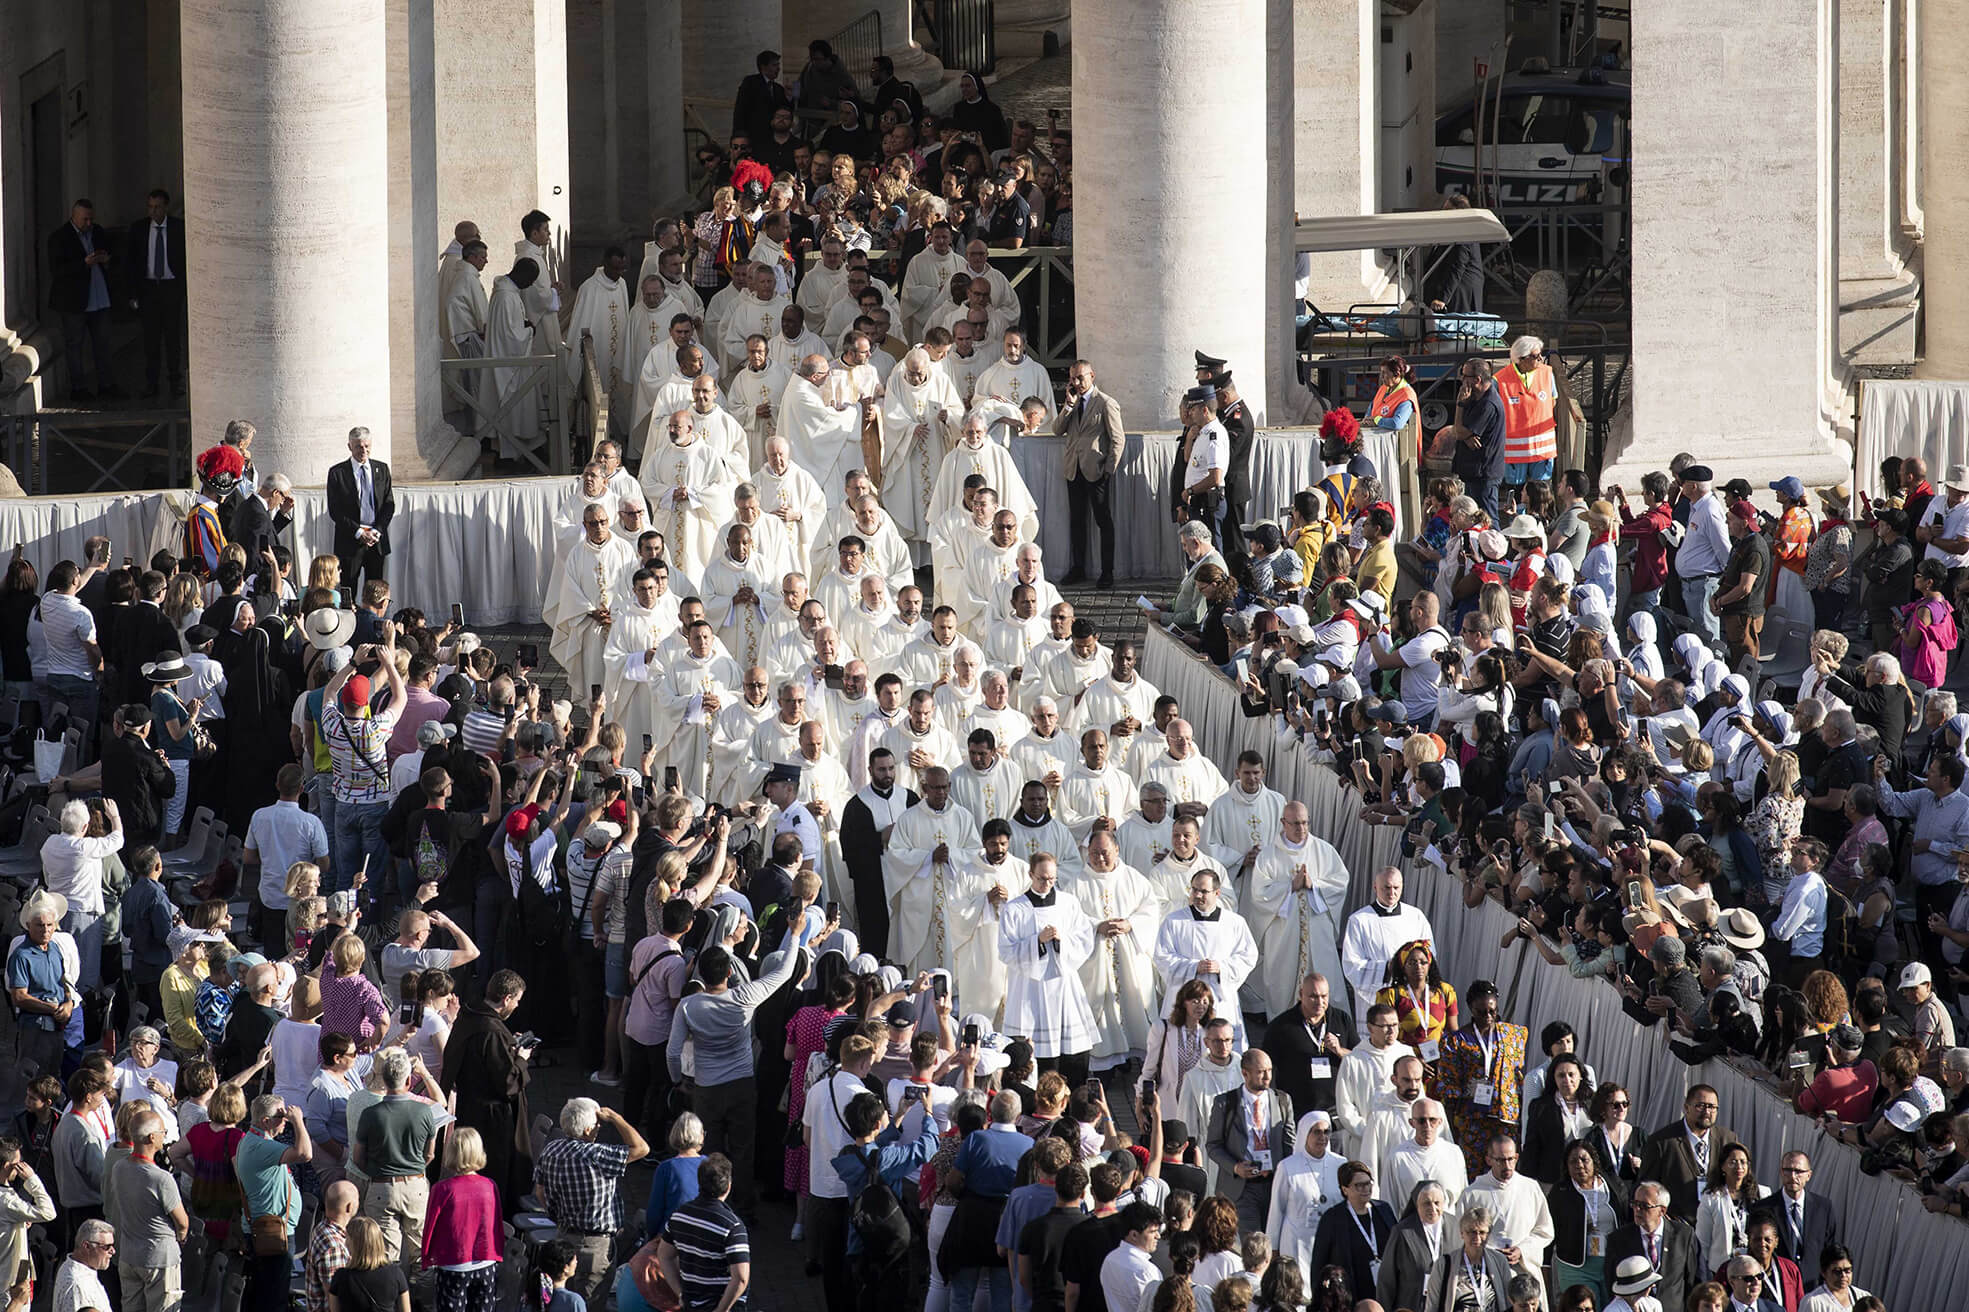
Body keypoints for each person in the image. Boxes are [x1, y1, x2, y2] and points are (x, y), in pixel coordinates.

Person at [668, 939, 810, 1217]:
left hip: (706, 1088)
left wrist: (678, 1080)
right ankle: (743, 1206)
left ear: (700, 974)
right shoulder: (744, 996)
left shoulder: (688, 1006)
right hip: (742, 1085)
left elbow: (673, 1052)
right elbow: (782, 973)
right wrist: (795, 934)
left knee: (709, 1149)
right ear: (729, 973)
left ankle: (710, 1205)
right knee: (743, 1149)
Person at [535, 1097, 650, 1301]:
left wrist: (555, 1217)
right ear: (587, 1130)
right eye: (597, 1125)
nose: (599, 1128)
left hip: (563, 1238)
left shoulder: (551, 1150)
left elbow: (539, 1192)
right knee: (590, 1302)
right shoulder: (598, 1156)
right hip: (595, 1247)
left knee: (562, 1300)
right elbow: (641, 1148)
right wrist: (616, 1118)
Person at [439, 969, 532, 1215]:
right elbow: (506, 1082)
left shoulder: (470, 1017)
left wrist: (509, 1046)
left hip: (470, 1107)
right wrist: (521, 1059)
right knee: (493, 1172)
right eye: (517, 1000)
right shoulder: (490, 1030)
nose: (518, 1005)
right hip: (492, 1118)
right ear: (507, 999)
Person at [353, 1048, 439, 1283]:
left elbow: (358, 1157)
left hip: (381, 1188)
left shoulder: (371, 1114)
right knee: (422, 1256)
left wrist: (374, 1173)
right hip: (416, 1186)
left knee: (385, 1258)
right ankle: (422, 1302)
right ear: (409, 1081)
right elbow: (430, 1154)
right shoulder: (423, 1111)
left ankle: (391, 1302)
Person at [234, 1092, 312, 1312]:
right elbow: (305, 1153)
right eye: (281, 1116)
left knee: (263, 1290)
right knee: (274, 1295)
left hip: (267, 1228)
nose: (285, 1119)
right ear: (265, 1121)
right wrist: (298, 1122)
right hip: (273, 1232)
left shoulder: (251, 1139)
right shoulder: (260, 1147)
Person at [106, 1106, 188, 1312]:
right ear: (152, 1137)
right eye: (163, 1132)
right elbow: (182, 1222)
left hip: (129, 1255)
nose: (165, 1136)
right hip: (159, 1259)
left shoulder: (119, 1167)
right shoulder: (161, 1178)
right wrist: (181, 1236)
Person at [1207, 1049, 1296, 1235]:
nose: (1267, 1077)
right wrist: (1235, 1167)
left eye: (1269, 1070)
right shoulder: (1225, 1103)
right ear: (1245, 1073)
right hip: (1242, 1187)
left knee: (1274, 1242)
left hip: (1274, 1183)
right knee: (1253, 1243)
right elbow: (1213, 1145)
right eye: (1260, 1071)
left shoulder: (1282, 1100)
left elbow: (1290, 1144)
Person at [1055, 360, 1125, 585]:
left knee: (1103, 520)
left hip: (1096, 470)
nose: (1076, 382)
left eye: (1080, 378)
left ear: (1092, 376)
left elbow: (1117, 438)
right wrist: (1068, 406)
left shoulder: (1105, 403)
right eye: (1073, 378)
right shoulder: (1073, 402)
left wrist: (1109, 468)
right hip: (1074, 469)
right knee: (1077, 521)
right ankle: (1078, 567)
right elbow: (1057, 430)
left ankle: (1107, 571)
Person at [656, 1155, 750, 1312]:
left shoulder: (679, 1216)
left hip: (693, 1304)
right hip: (723, 1304)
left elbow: (664, 1256)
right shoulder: (732, 1226)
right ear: (728, 1186)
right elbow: (740, 1278)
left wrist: (680, 1293)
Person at [1606, 1182, 1702, 1312]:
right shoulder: (1618, 1239)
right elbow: (1612, 1284)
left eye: (1644, 1206)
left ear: (1662, 1210)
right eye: (1635, 1204)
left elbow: (1692, 1280)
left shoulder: (1683, 1235)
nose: (1637, 1210)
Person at [1307, 1162, 1394, 1303]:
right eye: (1359, 1185)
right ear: (1345, 1189)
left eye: (1368, 1183)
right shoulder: (1332, 1218)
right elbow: (1319, 1263)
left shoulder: (1383, 1210)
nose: (1365, 1189)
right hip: (1350, 1296)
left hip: (1384, 1292)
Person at [325, 427, 394, 591]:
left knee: (375, 590)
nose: (363, 450)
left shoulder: (382, 469)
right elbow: (335, 510)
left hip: (376, 542)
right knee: (348, 588)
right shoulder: (338, 472)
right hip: (350, 541)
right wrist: (359, 532)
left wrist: (376, 531)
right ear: (350, 446)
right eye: (358, 447)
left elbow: (388, 504)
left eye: (367, 446)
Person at [328, 1217, 408, 1312]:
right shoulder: (396, 1274)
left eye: (347, 1239)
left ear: (354, 1245)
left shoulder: (341, 1277)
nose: (346, 1243)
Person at [53, 1220, 118, 1312]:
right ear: (87, 1246)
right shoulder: (77, 1286)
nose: (113, 1251)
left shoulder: (77, 1267)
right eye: (106, 1247)